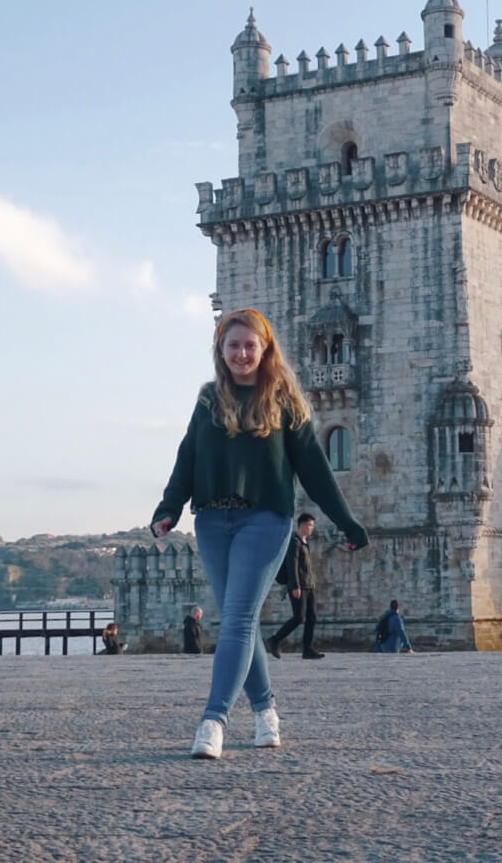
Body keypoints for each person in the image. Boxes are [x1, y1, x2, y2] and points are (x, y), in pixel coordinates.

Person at [149, 307, 368, 761]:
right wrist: (169, 509)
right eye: (233, 345)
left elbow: (316, 471)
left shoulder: (285, 401)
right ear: (220, 350)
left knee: (237, 619)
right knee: (238, 622)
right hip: (211, 521)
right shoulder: (209, 400)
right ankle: (267, 710)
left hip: (264, 521)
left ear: (265, 348)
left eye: (250, 345)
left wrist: (347, 522)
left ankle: (213, 721)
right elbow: (186, 458)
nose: (242, 353)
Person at [267, 513, 324, 660]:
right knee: (299, 617)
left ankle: (308, 649)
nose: (312, 528)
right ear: (302, 525)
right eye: (310, 525)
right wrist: (295, 586)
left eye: (312, 525)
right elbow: (292, 565)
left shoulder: (305, 543)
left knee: (312, 617)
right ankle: (275, 639)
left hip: (309, 585)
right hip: (299, 586)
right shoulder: (294, 542)